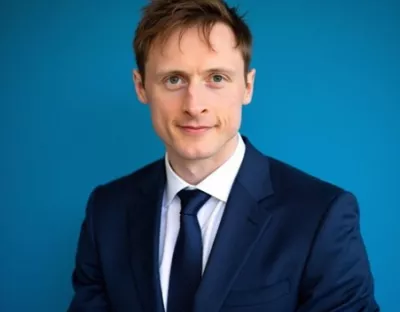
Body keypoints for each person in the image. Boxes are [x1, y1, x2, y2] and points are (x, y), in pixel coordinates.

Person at [67, 0, 380, 311]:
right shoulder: (106, 211)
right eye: (173, 79)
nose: (194, 105)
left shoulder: (322, 215)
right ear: (141, 87)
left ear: (247, 86)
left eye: (216, 78)